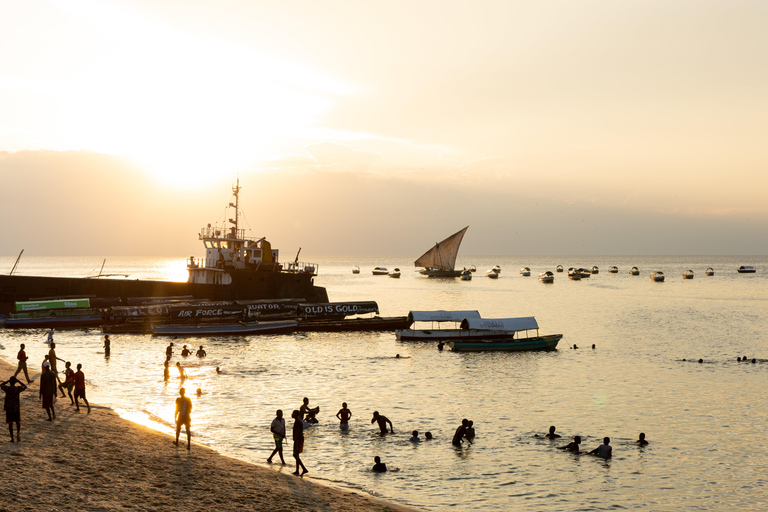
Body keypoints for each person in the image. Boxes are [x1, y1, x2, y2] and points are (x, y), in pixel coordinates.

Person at [1, 376, 27, 442]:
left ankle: (12, 438)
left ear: (10, 382)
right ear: (15, 382)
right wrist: (19, 381)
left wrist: (7, 381)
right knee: (17, 422)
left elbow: (1, 385)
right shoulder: (17, 389)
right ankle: (18, 433)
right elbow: (25, 386)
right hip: (16, 407)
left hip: (9, 408)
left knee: (10, 423)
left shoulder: (7, 388)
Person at [291, 410, 308, 476]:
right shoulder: (298, 421)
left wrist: (295, 440)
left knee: (295, 455)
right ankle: (297, 470)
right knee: (297, 455)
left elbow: (298, 431)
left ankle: (304, 468)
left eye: (293, 413)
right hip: (299, 439)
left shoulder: (298, 421)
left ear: (296, 414)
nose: (292, 414)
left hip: (298, 439)